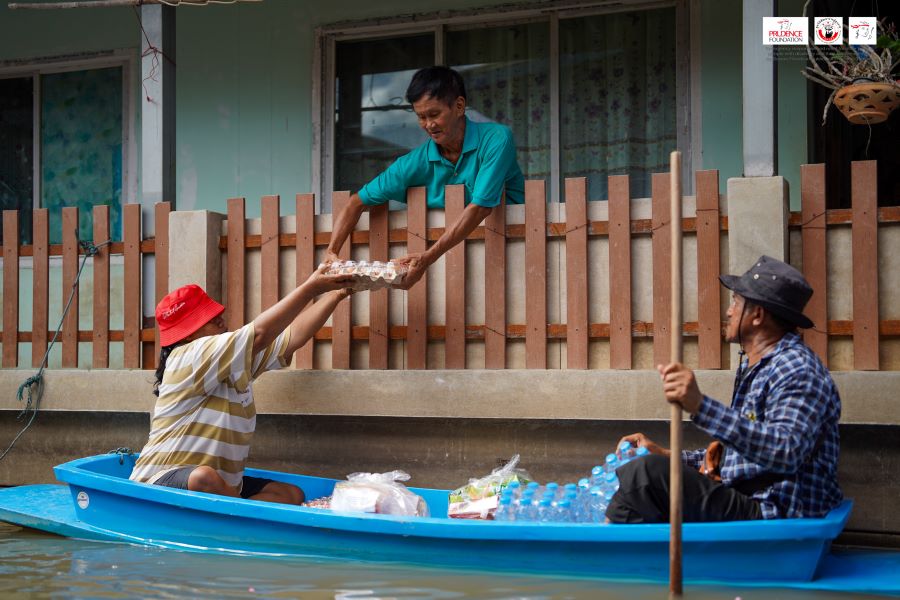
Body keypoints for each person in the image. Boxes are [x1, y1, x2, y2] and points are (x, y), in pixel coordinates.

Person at [607, 256, 842, 523]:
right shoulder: (760, 366)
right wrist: (665, 454)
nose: (729, 312)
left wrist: (700, 406)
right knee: (649, 467)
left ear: (757, 315)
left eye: (735, 303)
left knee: (646, 475)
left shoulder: (796, 369)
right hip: (747, 498)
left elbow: (785, 452)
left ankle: (603, 558)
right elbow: (737, 459)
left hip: (775, 512)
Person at [129, 266, 354, 504]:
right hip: (157, 484)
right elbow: (260, 333)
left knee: (290, 494)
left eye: (213, 311)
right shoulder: (186, 357)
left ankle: (244, 518)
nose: (218, 317)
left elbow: (292, 338)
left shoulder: (232, 362)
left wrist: (339, 293)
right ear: (186, 336)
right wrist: (310, 288)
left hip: (223, 490)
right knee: (203, 477)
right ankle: (243, 516)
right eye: (204, 318)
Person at [325, 65, 525, 289]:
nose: (428, 125)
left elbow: (480, 207)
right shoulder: (412, 163)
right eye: (421, 117)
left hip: (515, 250)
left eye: (434, 114)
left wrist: (427, 257)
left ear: (459, 106)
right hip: (449, 272)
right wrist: (332, 252)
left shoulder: (496, 139)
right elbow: (356, 202)